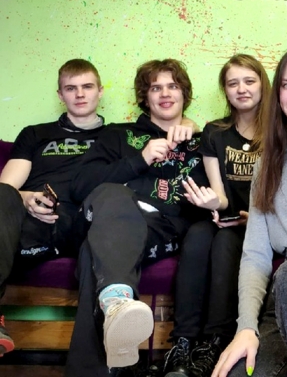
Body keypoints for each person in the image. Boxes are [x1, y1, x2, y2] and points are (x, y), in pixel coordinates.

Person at [64, 59, 209, 377]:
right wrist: (139, 160)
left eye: (173, 86)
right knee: (114, 196)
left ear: (184, 94)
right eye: (156, 87)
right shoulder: (119, 135)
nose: (165, 94)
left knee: (93, 252)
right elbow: (80, 187)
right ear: (145, 96)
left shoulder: (201, 141)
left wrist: (199, 133)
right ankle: (117, 305)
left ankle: (104, 346)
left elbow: (209, 204)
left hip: (158, 229)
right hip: (107, 216)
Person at [162, 54, 271, 377]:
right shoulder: (215, 132)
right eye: (233, 83)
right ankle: (183, 344)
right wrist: (211, 201)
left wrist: (256, 218)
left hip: (264, 224)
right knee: (197, 234)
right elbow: (221, 197)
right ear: (225, 90)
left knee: (225, 241)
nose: (241, 89)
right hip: (226, 218)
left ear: (263, 85)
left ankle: (215, 342)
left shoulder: (279, 131)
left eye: (249, 81)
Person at [0, 59, 105, 357]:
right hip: (31, 220)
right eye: (71, 88)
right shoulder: (36, 134)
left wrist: (186, 125)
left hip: (82, 222)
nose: (80, 94)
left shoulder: (117, 136)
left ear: (100, 91)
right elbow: (7, 187)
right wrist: (27, 198)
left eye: (87, 86)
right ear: (60, 95)